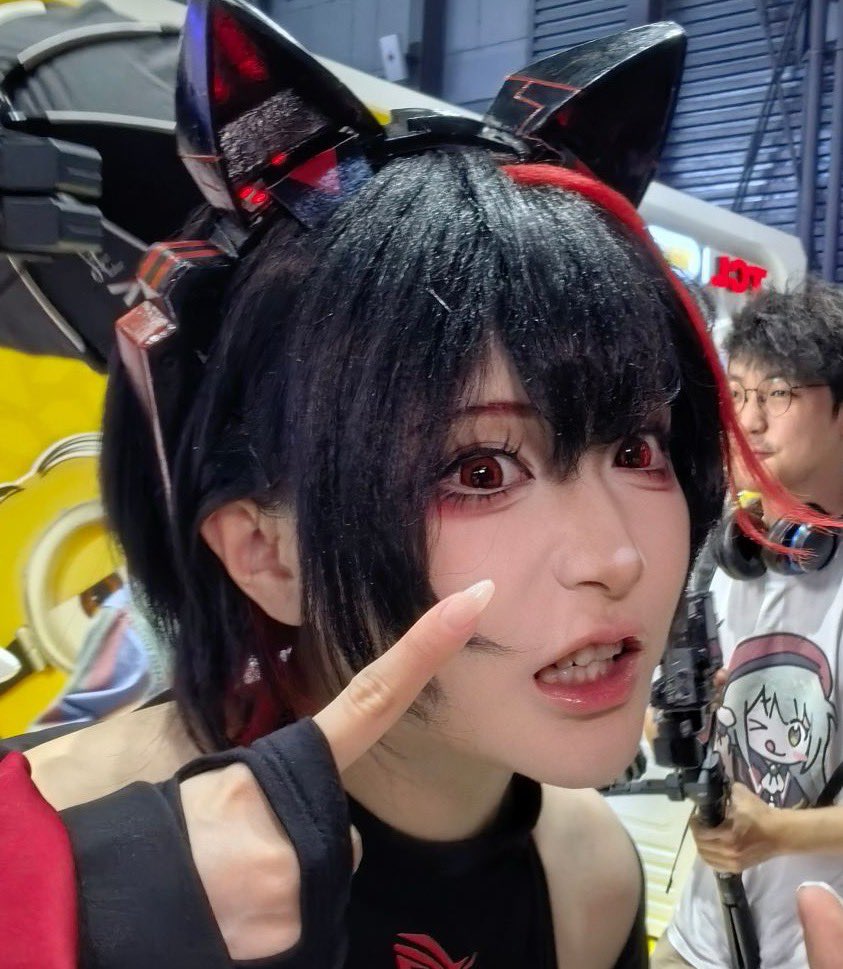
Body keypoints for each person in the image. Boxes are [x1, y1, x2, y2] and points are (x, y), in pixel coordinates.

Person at [0, 3, 827, 967]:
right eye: (481, 471)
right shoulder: (51, 862)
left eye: (636, 448)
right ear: (267, 551)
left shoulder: (585, 873)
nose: (616, 556)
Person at [652, 277, 843, 969]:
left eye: (778, 395)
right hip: (701, 929)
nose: (749, 421)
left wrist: (779, 832)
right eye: (737, 394)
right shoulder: (719, 559)